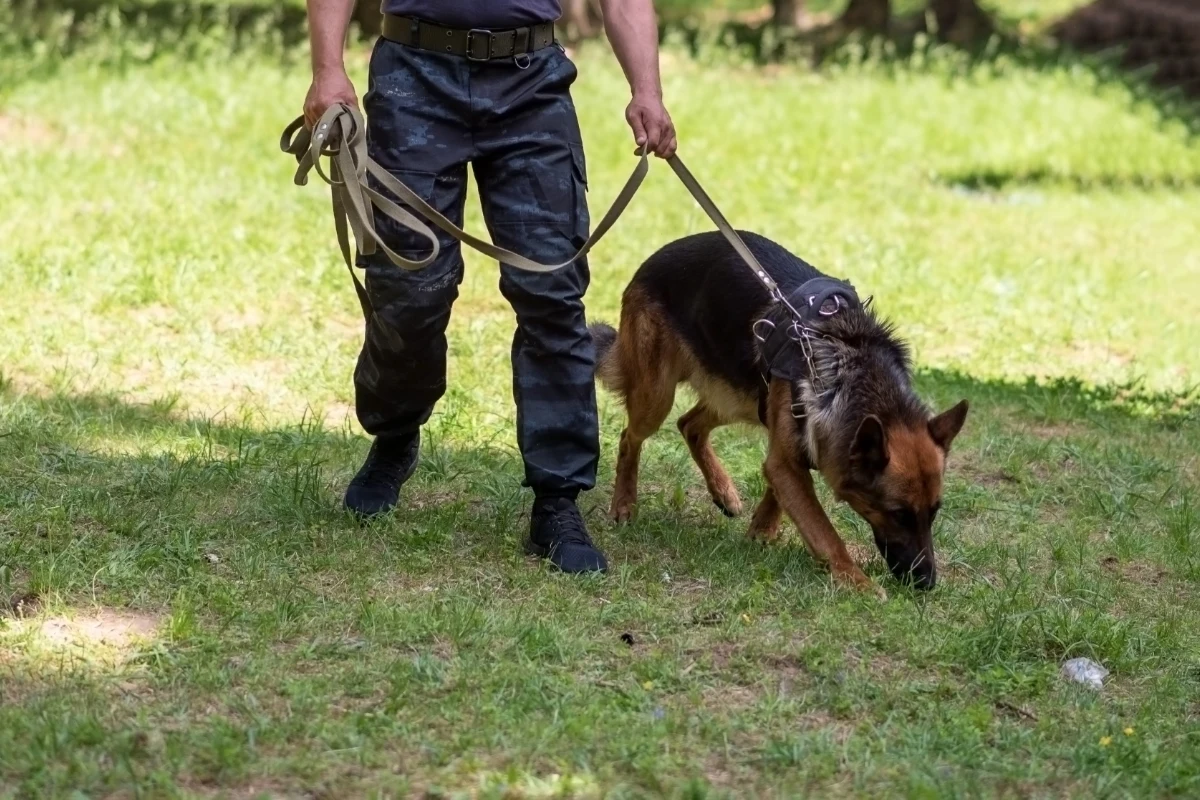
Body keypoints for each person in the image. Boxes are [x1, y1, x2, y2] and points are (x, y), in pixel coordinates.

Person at [302, 0, 676, 574]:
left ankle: (557, 500)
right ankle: (396, 433)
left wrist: (646, 90)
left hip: (531, 84)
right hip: (413, 75)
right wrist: (328, 69)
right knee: (407, 290)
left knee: (552, 293)